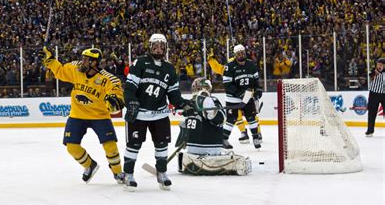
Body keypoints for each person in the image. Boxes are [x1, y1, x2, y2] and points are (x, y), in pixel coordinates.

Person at [40, 46, 125, 184]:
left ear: (94, 63)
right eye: (83, 58)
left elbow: (116, 95)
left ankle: (118, 173)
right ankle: (89, 165)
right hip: (77, 115)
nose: (82, 62)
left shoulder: (108, 79)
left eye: (86, 60)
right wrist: (50, 61)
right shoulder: (76, 68)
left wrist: (115, 101)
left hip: (100, 116)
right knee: (71, 147)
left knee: (110, 146)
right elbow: (60, 71)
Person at [123, 33, 193, 191]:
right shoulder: (140, 63)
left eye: (162, 46)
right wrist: (132, 102)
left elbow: (174, 95)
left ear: (166, 48)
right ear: (150, 47)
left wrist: (184, 104)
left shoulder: (169, 68)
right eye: (155, 45)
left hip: (160, 114)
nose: (159, 48)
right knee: (134, 145)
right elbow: (129, 88)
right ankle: (128, 174)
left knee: (161, 145)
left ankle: (161, 173)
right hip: (139, 113)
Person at [176, 78, 251, 175]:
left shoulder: (193, 103)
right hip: (209, 149)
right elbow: (221, 120)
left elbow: (220, 119)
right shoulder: (206, 101)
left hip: (196, 149)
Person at [208, 47, 263, 147]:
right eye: (239, 54)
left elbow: (256, 80)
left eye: (242, 53)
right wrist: (239, 93)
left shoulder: (251, 64)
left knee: (251, 117)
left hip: (247, 97)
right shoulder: (229, 67)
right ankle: (224, 139)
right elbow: (227, 85)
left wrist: (258, 89)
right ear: (235, 55)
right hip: (233, 98)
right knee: (231, 119)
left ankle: (256, 137)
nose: (241, 55)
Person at [365, 58, 385, 137]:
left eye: (380, 64)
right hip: (374, 94)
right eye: (378, 64)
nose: (378, 66)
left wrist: (381, 72)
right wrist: (375, 72)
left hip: (384, 94)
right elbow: (370, 75)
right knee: (372, 113)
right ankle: (370, 131)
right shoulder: (374, 70)